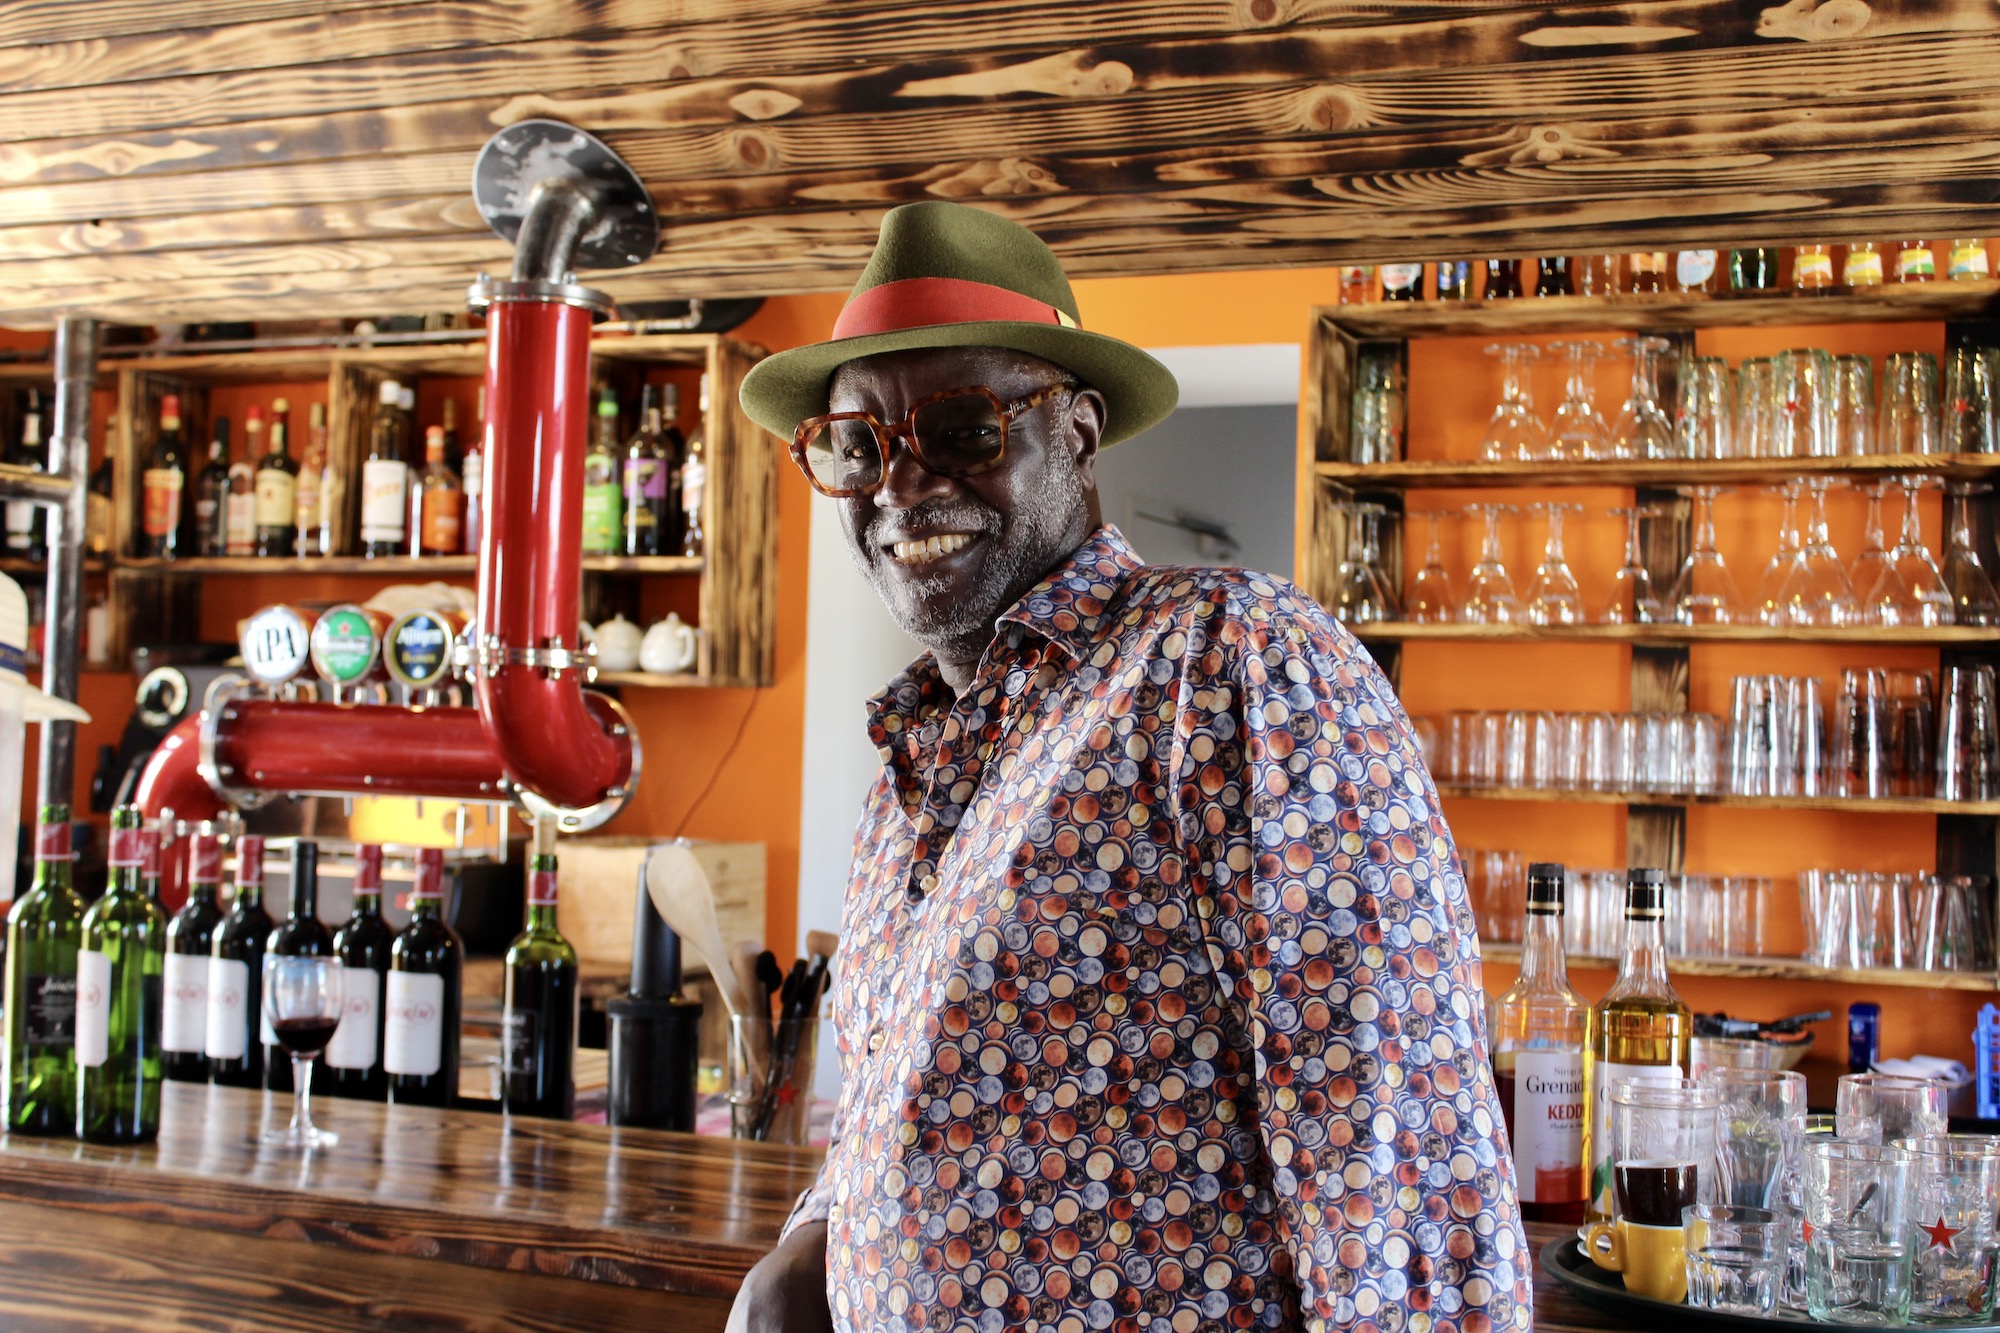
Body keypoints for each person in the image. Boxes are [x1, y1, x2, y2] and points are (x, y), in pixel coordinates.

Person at [733, 202, 1529, 1333]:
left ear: (1079, 433)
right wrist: (810, 1242)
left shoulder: (1229, 662)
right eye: (857, 445)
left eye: (961, 426)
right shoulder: (905, 775)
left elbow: (1390, 1151)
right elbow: (910, 1107)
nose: (901, 486)